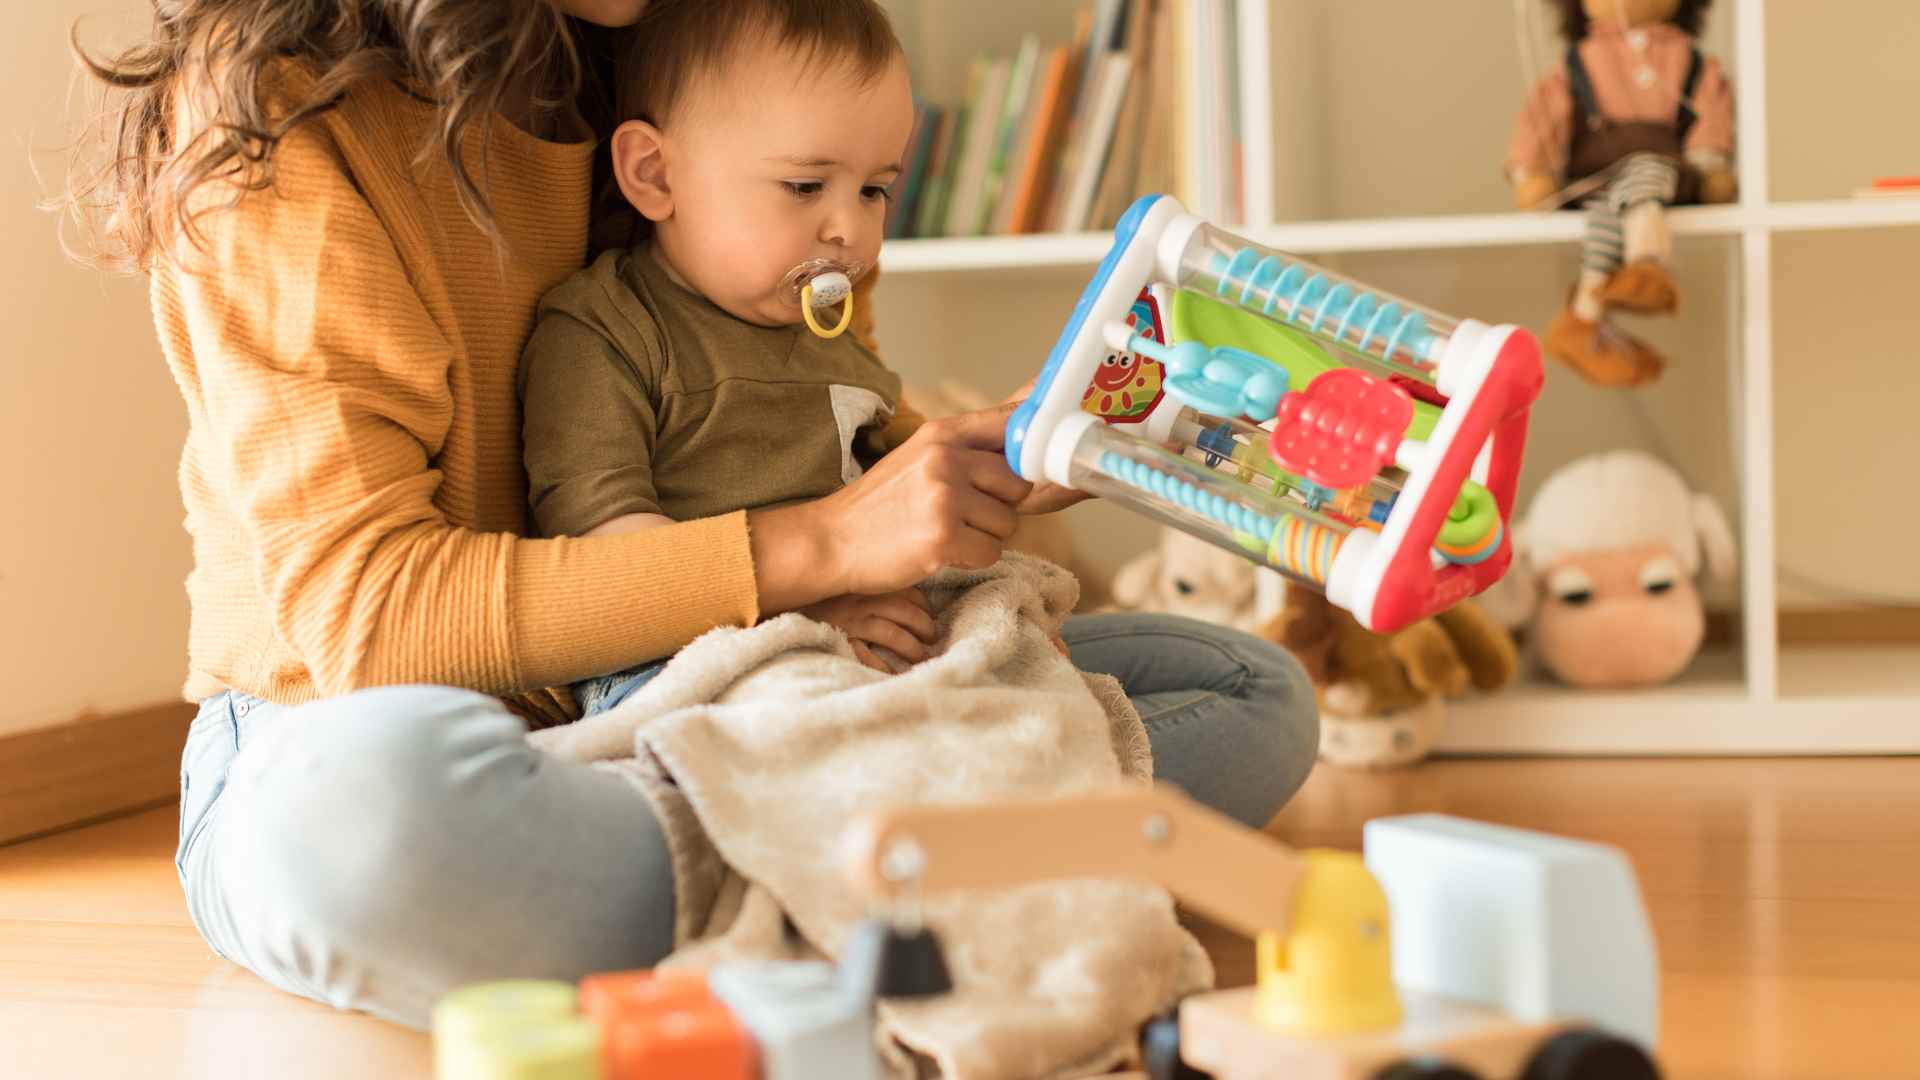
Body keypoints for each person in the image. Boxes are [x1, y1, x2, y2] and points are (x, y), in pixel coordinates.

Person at [68, 0, 1319, 1029]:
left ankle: (820, 897)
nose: (850, 224)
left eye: (873, 190)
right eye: (817, 187)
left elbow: (826, 441)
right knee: (365, 821)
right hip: (393, 729)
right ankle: (924, 877)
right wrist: (828, 545)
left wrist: (1000, 467)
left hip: (755, 701)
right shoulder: (284, 117)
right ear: (646, 171)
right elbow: (365, 619)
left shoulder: (719, 49)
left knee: (1253, 698)